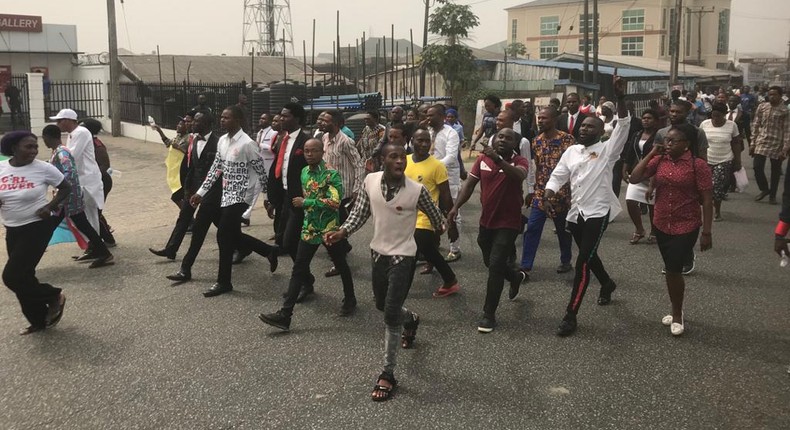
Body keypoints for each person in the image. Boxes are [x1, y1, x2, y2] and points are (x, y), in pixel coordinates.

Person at [324, 143, 445, 402]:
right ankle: (410, 318)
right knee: (381, 305)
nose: (400, 161)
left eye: (403, 157)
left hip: (404, 256)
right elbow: (359, 213)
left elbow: (436, 217)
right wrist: (342, 231)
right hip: (378, 253)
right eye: (394, 157)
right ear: (383, 160)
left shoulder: (416, 191)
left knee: (390, 313)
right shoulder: (370, 181)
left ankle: (388, 373)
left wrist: (441, 228)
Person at [543, 76, 630, 337]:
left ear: (601, 131)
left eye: (591, 127)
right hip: (575, 214)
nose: (584, 129)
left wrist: (621, 98)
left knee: (582, 262)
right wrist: (548, 192)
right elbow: (558, 175)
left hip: (597, 213)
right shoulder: (571, 151)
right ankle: (607, 283)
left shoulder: (607, 150)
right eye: (583, 126)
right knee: (589, 256)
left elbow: (624, 126)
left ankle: (571, 315)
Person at [257, 139, 356, 329]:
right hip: (309, 228)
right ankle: (285, 314)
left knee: (341, 264)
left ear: (322, 152)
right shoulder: (304, 172)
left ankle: (350, 298)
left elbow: (335, 203)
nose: (309, 154)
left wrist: (307, 203)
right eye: (307, 151)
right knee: (298, 269)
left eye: (314, 151)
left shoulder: (331, 174)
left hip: (329, 229)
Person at [629, 123, 713, 336]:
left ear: (686, 145)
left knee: (673, 269)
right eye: (666, 139)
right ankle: (676, 306)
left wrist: (707, 232)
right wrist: (651, 154)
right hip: (661, 222)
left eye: (673, 141)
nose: (668, 143)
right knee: (670, 268)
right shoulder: (659, 160)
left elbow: (707, 198)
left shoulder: (698, 165)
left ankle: (677, 313)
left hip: (687, 224)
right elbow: (634, 177)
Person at [448, 128, 528, 333]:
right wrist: (456, 207)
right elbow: (469, 185)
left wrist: (499, 160)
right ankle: (514, 276)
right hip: (487, 221)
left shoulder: (519, 161)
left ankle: (488, 314)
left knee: (494, 266)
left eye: (508, 138)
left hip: (509, 223)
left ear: (514, 144)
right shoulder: (483, 159)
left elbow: (519, 176)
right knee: (489, 260)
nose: (503, 140)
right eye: (500, 136)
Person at [189, 106, 270, 297]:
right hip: (226, 194)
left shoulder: (248, 144)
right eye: (221, 117)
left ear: (238, 120)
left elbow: (261, 173)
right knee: (232, 234)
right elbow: (216, 169)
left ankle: (223, 282)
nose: (222, 120)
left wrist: (268, 199)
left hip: (242, 196)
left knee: (223, 235)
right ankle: (268, 251)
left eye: (227, 118)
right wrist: (200, 192)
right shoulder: (223, 142)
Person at [0, 131, 70, 335]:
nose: (33, 151)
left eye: (35, 147)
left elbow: (66, 187)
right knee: (25, 276)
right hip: (12, 227)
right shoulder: (2, 168)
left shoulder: (43, 168)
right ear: (13, 148)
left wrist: (50, 206)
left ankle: (53, 296)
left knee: (12, 277)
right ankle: (38, 320)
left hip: (37, 227)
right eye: (28, 147)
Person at [41, 125, 113, 268]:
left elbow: (69, 173)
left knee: (49, 226)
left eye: (44, 139)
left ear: (48, 137)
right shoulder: (59, 152)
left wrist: (60, 191)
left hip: (67, 199)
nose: (44, 142)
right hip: (68, 198)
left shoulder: (62, 153)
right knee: (83, 225)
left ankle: (30, 255)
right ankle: (102, 252)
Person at [153, 112, 217, 262]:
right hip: (193, 187)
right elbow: (191, 167)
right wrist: (188, 187)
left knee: (220, 222)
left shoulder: (217, 143)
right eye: (192, 121)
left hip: (210, 191)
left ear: (206, 124)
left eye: (196, 121)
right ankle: (171, 249)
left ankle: (242, 247)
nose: (192, 124)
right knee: (183, 218)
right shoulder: (194, 140)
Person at [406, 128, 460, 297]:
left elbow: (446, 197)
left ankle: (397, 291)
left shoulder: (437, 166)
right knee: (428, 250)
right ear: (411, 141)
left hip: (426, 217)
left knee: (415, 250)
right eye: (420, 140)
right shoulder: (404, 161)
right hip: (405, 216)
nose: (424, 144)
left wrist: (451, 224)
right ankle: (450, 280)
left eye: (427, 141)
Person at [520, 107, 574, 276]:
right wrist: (533, 189)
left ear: (554, 120)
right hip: (541, 193)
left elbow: (574, 168)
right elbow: (537, 167)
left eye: (544, 118)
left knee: (563, 230)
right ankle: (525, 267)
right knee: (533, 227)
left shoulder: (567, 140)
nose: (540, 121)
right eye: (539, 118)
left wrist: (574, 194)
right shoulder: (536, 141)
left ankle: (566, 260)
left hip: (562, 193)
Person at [50, 109, 106, 258]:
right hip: (81, 180)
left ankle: (96, 247)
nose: (58, 124)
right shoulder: (73, 134)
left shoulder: (81, 132)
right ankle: (94, 247)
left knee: (87, 217)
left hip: (87, 181)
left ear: (68, 120)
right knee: (83, 218)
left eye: (59, 120)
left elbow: (71, 156)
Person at [318, 110, 364, 278]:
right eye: (321, 119)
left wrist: (357, 189)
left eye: (325, 120)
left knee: (332, 225)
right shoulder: (324, 138)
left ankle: (339, 261)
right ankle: (343, 246)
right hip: (328, 189)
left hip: (343, 190)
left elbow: (358, 165)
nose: (321, 122)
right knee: (336, 223)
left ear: (336, 123)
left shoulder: (346, 141)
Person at [426, 104, 462, 262]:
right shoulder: (428, 132)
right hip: (430, 178)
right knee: (431, 211)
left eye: (431, 115)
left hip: (448, 177)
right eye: (427, 115)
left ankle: (455, 249)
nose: (428, 118)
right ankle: (433, 246)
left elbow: (452, 156)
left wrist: (434, 168)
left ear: (442, 116)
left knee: (452, 212)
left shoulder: (451, 133)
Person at [622, 109, 659, 244]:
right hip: (638, 174)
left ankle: (654, 231)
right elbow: (630, 152)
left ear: (655, 121)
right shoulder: (637, 135)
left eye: (649, 118)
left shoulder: (659, 136)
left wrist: (652, 183)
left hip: (653, 174)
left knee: (652, 206)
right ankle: (639, 229)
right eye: (643, 118)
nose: (645, 120)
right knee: (630, 201)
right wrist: (625, 168)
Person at [700, 103, 742, 220]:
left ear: (724, 115)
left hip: (724, 160)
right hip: (706, 160)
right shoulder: (704, 124)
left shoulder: (732, 125)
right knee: (706, 187)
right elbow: (700, 142)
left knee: (717, 186)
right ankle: (707, 208)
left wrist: (738, 160)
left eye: (718, 116)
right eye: (713, 116)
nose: (716, 119)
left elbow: (736, 143)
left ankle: (717, 211)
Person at [750, 86, 790, 205]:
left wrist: (785, 148)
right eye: (770, 94)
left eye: (774, 94)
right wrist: (752, 143)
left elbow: (788, 130)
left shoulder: (785, 110)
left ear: (780, 95)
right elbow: (756, 125)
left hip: (777, 142)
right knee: (757, 167)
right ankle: (764, 189)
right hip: (762, 140)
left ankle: (772, 195)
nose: (772, 97)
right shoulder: (762, 107)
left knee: (775, 171)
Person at [80, 118, 116, 246]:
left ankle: (107, 240)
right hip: (90, 181)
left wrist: (92, 178)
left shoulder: (97, 145)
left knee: (95, 212)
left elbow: (105, 165)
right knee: (92, 211)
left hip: (101, 180)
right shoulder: (85, 142)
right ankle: (104, 238)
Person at [241, 113, 277, 225]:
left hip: (269, 164)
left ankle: (247, 214)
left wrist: (260, 145)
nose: (261, 120)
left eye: (264, 118)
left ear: (269, 121)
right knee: (257, 189)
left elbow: (273, 149)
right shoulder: (260, 133)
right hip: (259, 164)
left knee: (257, 188)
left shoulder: (273, 133)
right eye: (260, 118)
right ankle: (247, 214)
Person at [153, 115, 192, 207]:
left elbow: (190, 153)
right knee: (182, 197)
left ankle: (187, 216)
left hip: (185, 171)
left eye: (181, 124)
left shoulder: (189, 138)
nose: (178, 126)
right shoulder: (178, 137)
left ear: (186, 127)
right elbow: (168, 143)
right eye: (178, 124)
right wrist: (159, 131)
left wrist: (178, 147)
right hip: (177, 172)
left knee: (177, 197)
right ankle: (188, 217)